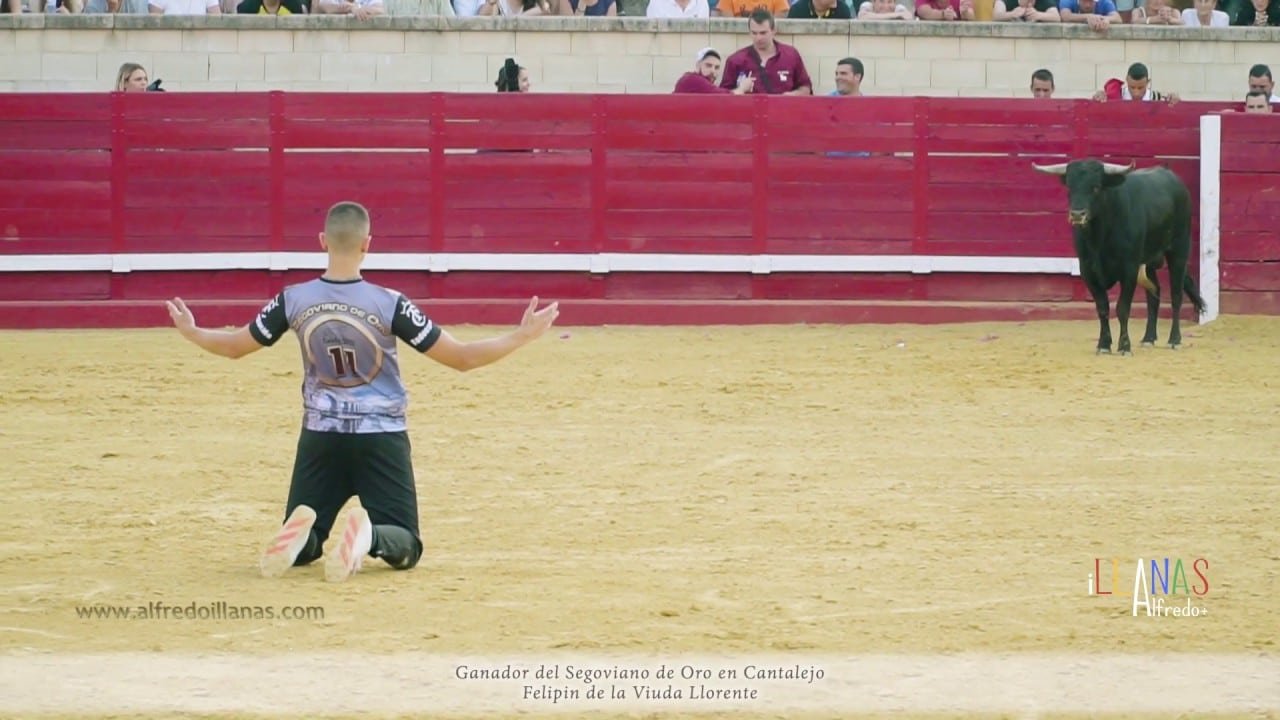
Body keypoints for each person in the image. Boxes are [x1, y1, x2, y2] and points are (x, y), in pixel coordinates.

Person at [164, 201, 560, 582]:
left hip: (320, 435)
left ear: (322, 241)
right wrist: (521, 336)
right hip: (380, 435)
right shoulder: (390, 304)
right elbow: (461, 358)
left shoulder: (293, 299)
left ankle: (301, 536)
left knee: (307, 543)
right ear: (367, 244)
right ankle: (370, 537)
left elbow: (236, 347)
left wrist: (194, 332)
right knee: (405, 545)